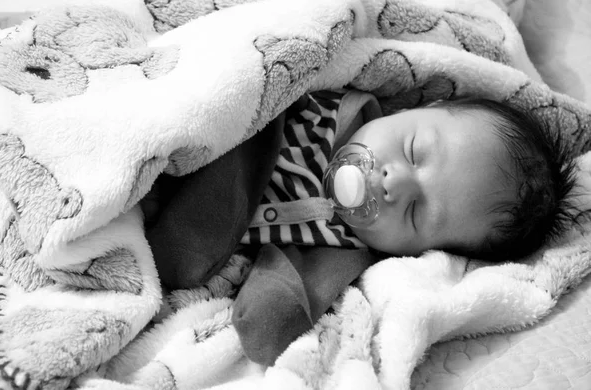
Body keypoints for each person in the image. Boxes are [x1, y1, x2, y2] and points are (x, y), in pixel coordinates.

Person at [142, 89, 578, 366]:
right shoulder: (321, 109)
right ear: (417, 108)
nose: (395, 183)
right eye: (413, 149)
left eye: (415, 213)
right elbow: (248, 92)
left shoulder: (344, 248)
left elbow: (283, 293)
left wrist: (276, 310)